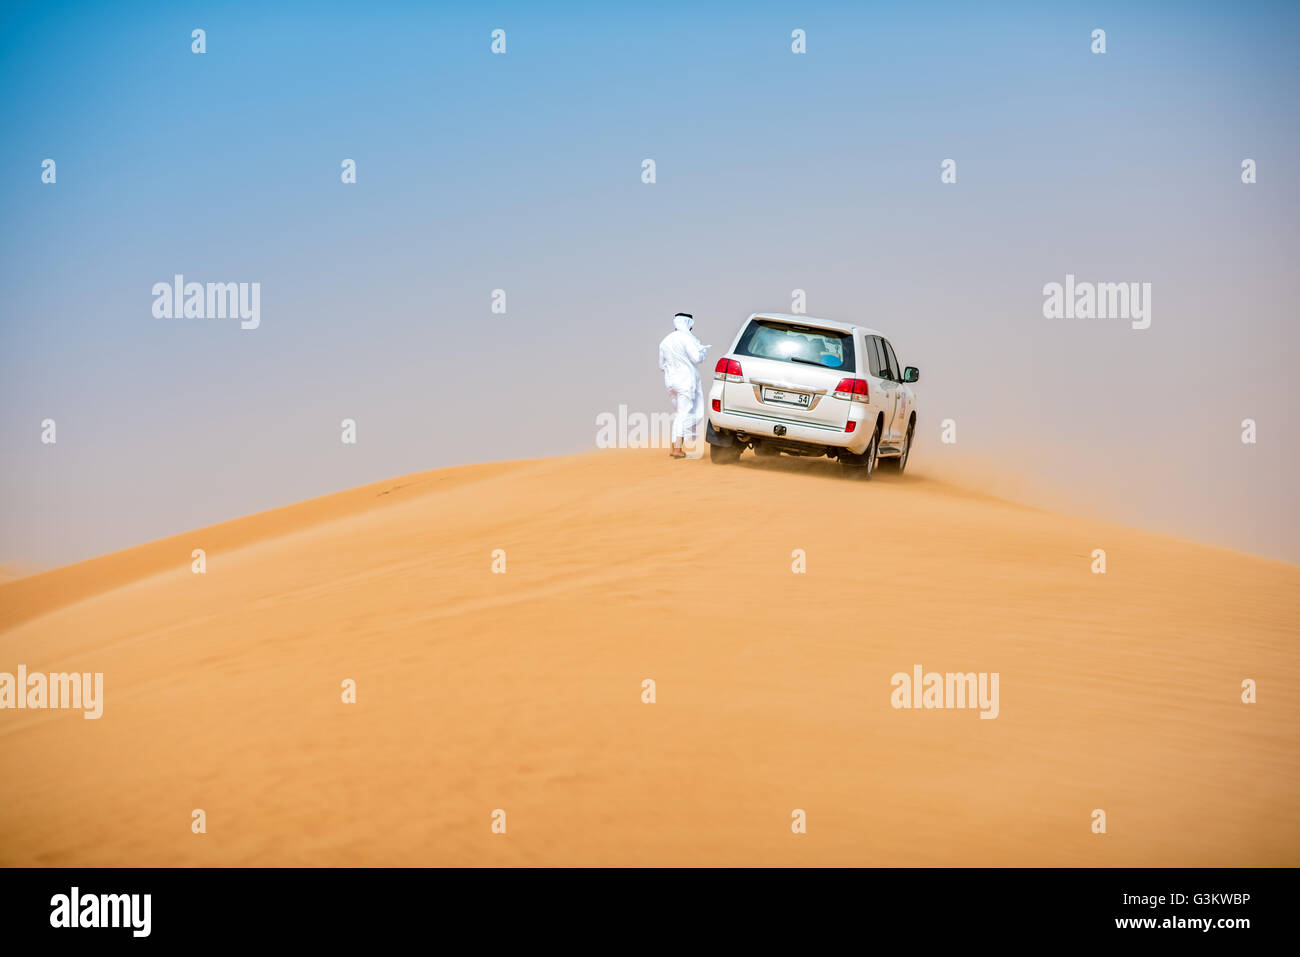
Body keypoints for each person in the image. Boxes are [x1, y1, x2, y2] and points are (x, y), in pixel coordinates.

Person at [658, 312, 710, 459]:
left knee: (679, 414)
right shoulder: (687, 339)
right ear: (689, 324)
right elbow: (697, 358)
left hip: (670, 382)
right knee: (684, 413)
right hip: (685, 382)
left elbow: (661, 365)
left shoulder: (665, 340)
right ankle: (677, 449)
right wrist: (703, 351)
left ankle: (673, 447)